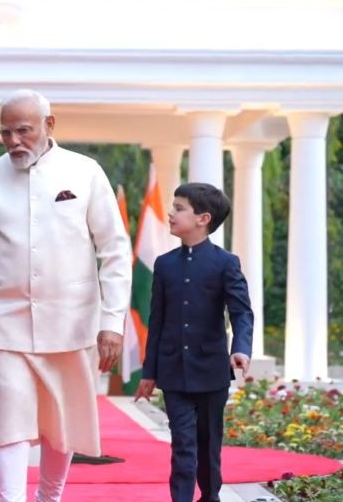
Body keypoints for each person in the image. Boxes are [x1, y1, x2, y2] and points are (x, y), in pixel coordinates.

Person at [0, 89, 132, 502]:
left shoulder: (85, 171)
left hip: (71, 322)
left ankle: (49, 497)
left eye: (23, 130)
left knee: (62, 417)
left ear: (49, 125)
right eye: (6, 133)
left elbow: (114, 250)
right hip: (2, 321)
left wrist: (112, 322)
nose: (14, 141)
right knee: (11, 410)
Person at [135, 183, 254, 502]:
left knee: (208, 447)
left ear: (203, 218)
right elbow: (157, 322)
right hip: (174, 373)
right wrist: (149, 373)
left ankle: (210, 496)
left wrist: (241, 349)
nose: (171, 214)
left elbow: (241, 312)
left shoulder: (226, 263)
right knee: (183, 447)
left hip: (212, 372)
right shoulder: (164, 264)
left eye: (179, 208)